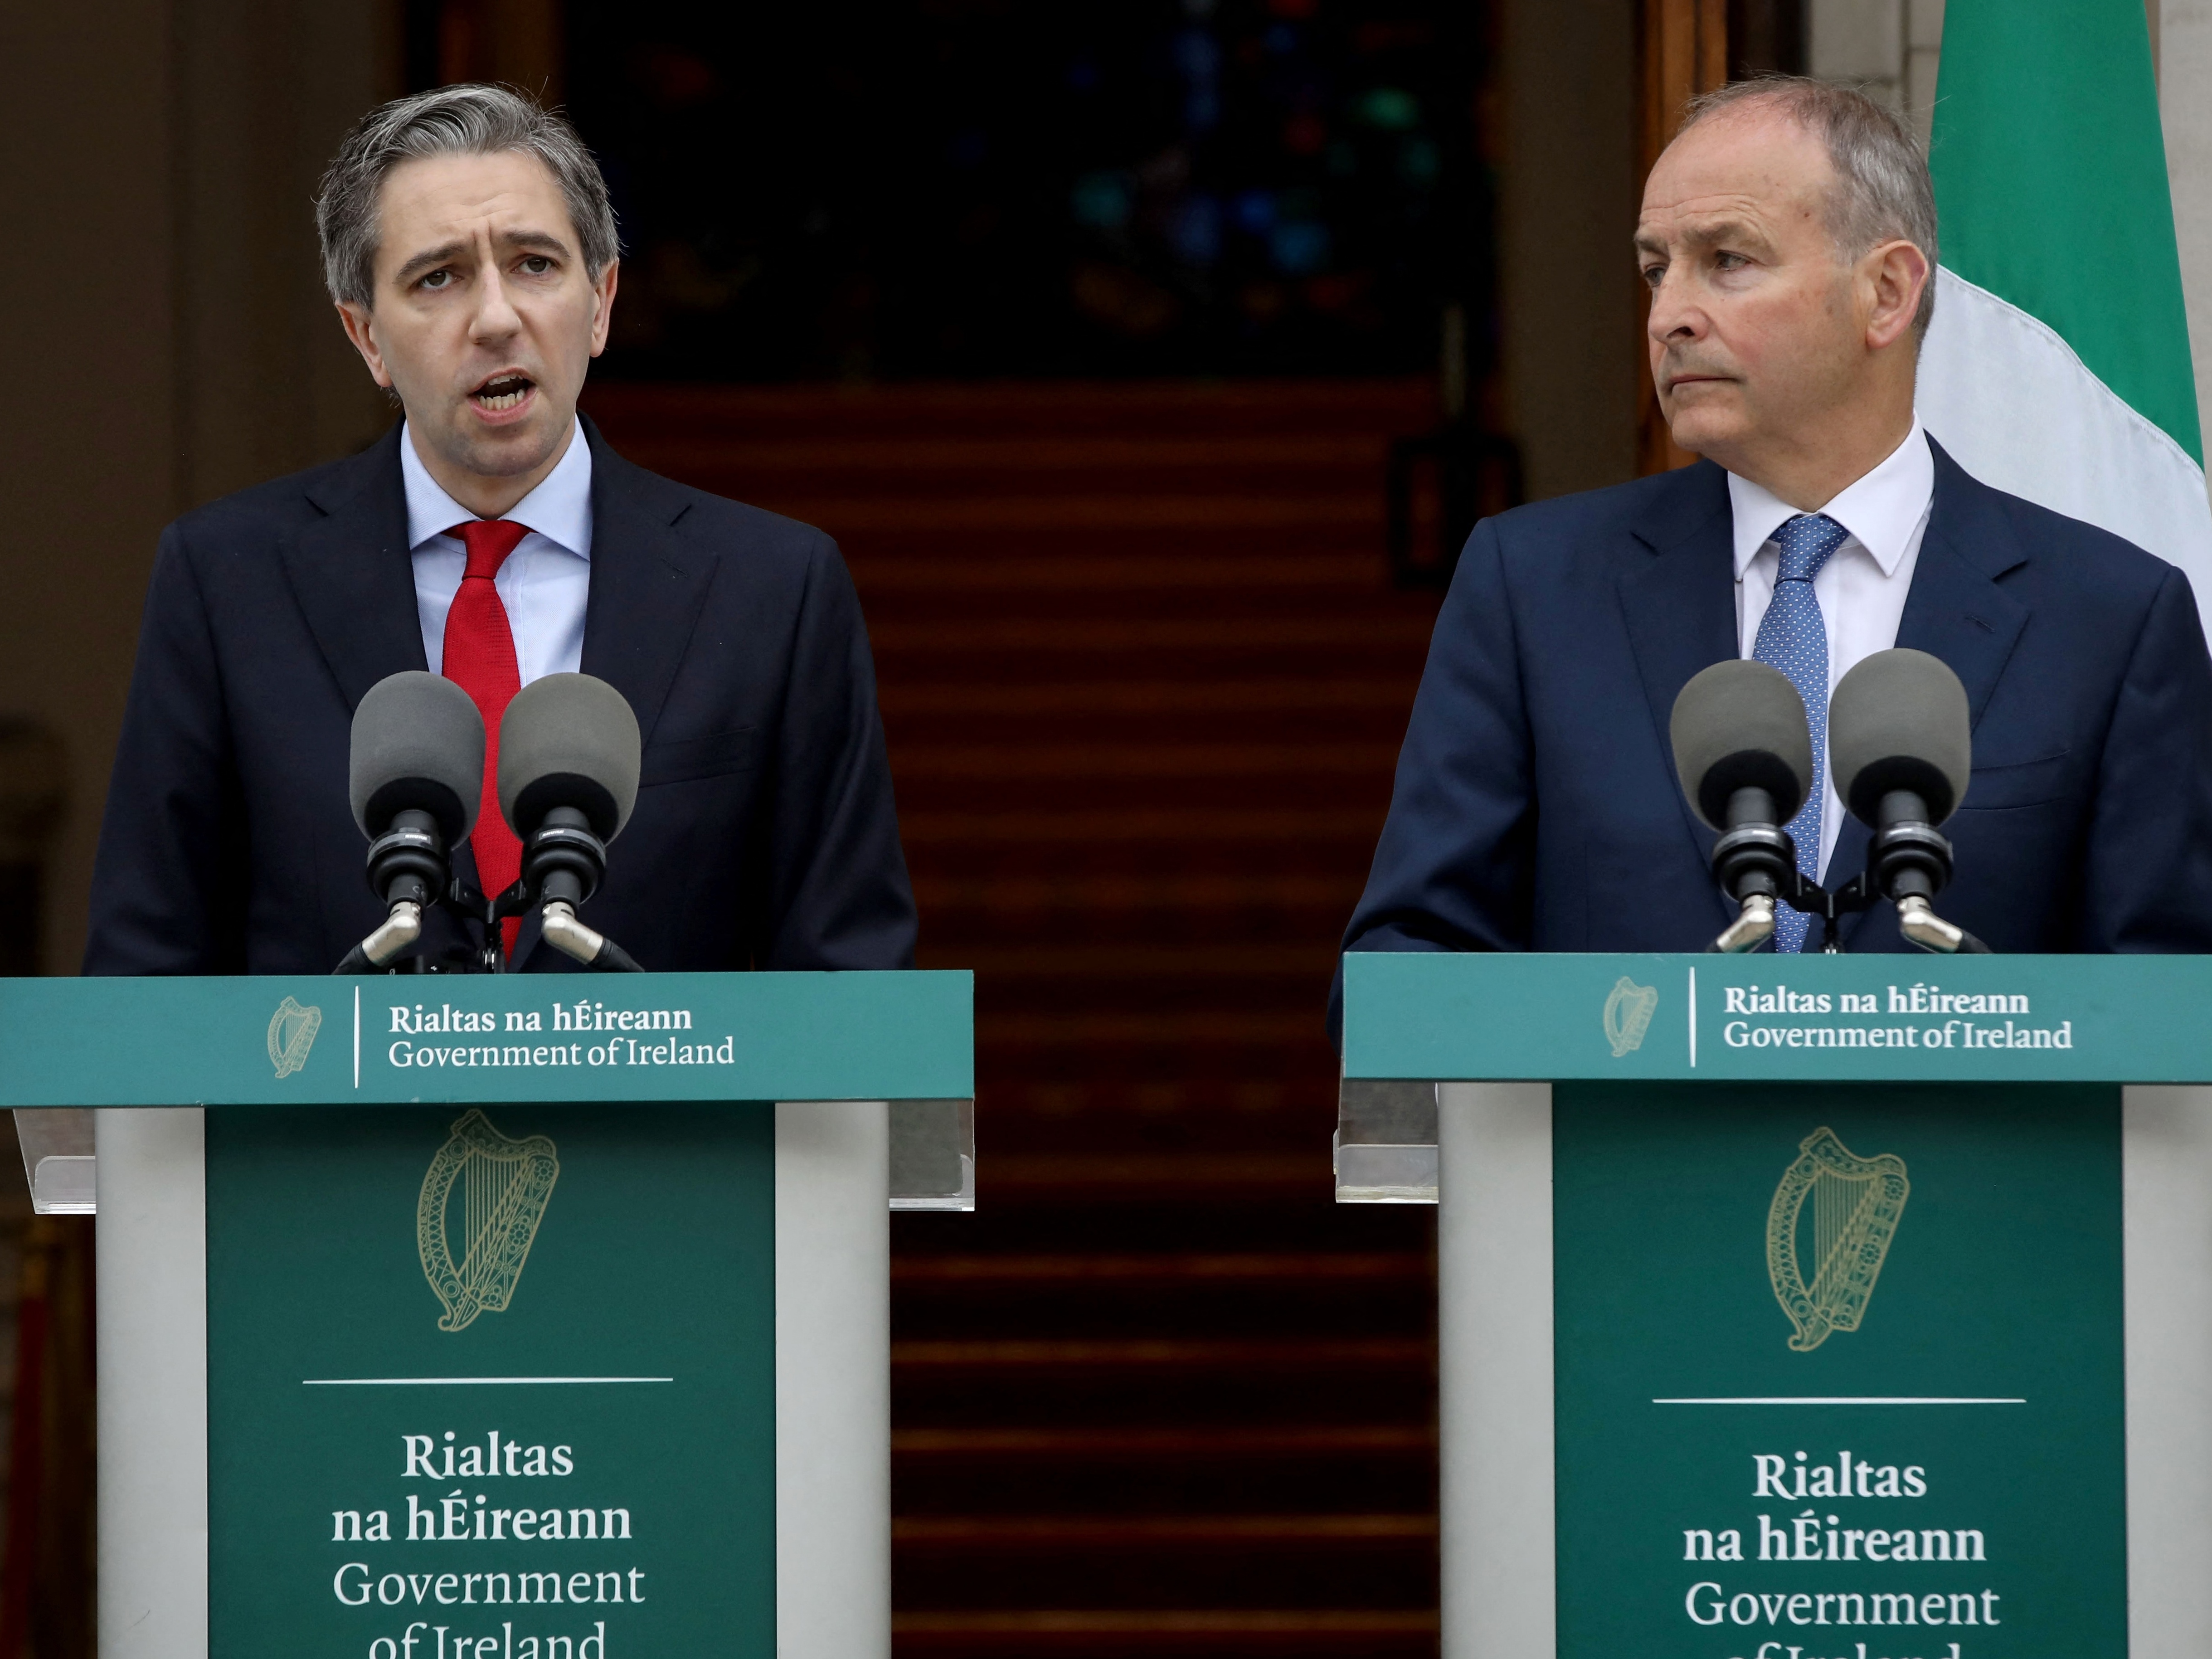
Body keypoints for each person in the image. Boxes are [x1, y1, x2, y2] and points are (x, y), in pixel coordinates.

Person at [1337, 77, 2212, 1012]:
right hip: (1632, 1159)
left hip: (1961, 1162)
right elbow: (1407, 970)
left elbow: (2174, 1015)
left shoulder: (2109, 616)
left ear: (1885, 292)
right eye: (1654, 268)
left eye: (1726, 260)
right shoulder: (1532, 591)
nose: (1667, 314)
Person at [84, 85, 915, 974]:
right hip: (348, 1117)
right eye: (437, 277)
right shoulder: (226, 583)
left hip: (653, 1118)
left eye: (534, 265)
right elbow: (146, 979)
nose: (495, 318)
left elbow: (853, 984)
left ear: (600, 303)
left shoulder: (773, 591)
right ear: (366, 337)